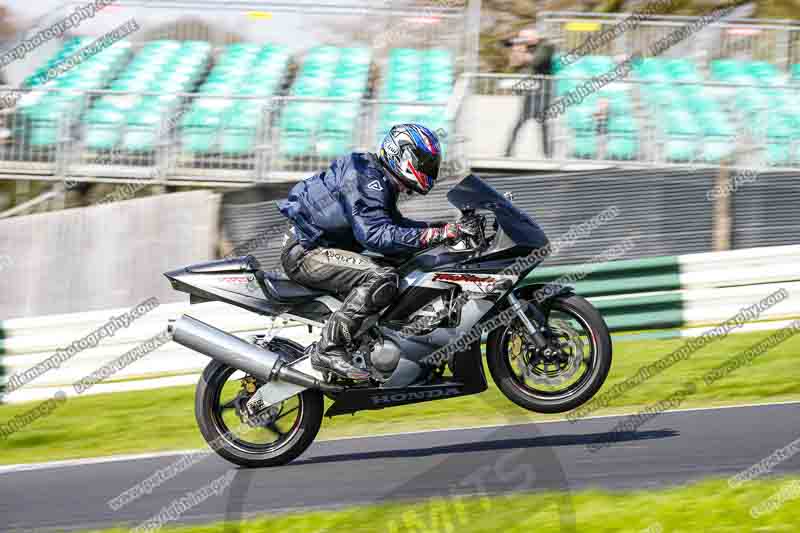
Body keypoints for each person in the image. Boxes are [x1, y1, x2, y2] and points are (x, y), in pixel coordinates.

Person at [279, 124, 479, 381]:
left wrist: (446, 229)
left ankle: (377, 343)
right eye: (426, 162)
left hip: (322, 249)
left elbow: (395, 227)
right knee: (380, 277)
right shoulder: (365, 176)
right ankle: (329, 348)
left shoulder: (377, 178)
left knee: (403, 264)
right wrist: (440, 234)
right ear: (403, 155)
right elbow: (374, 235)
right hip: (307, 253)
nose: (430, 169)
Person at [504, 28, 555, 158]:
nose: (523, 41)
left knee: (543, 124)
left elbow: (536, 61)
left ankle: (548, 155)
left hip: (544, 91)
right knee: (520, 122)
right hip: (531, 91)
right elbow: (514, 65)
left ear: (534, 37)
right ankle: (508, 152)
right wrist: (517, 52)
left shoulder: (546, 46)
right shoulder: (527, 47)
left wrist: (521, 52)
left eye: (525, 38)